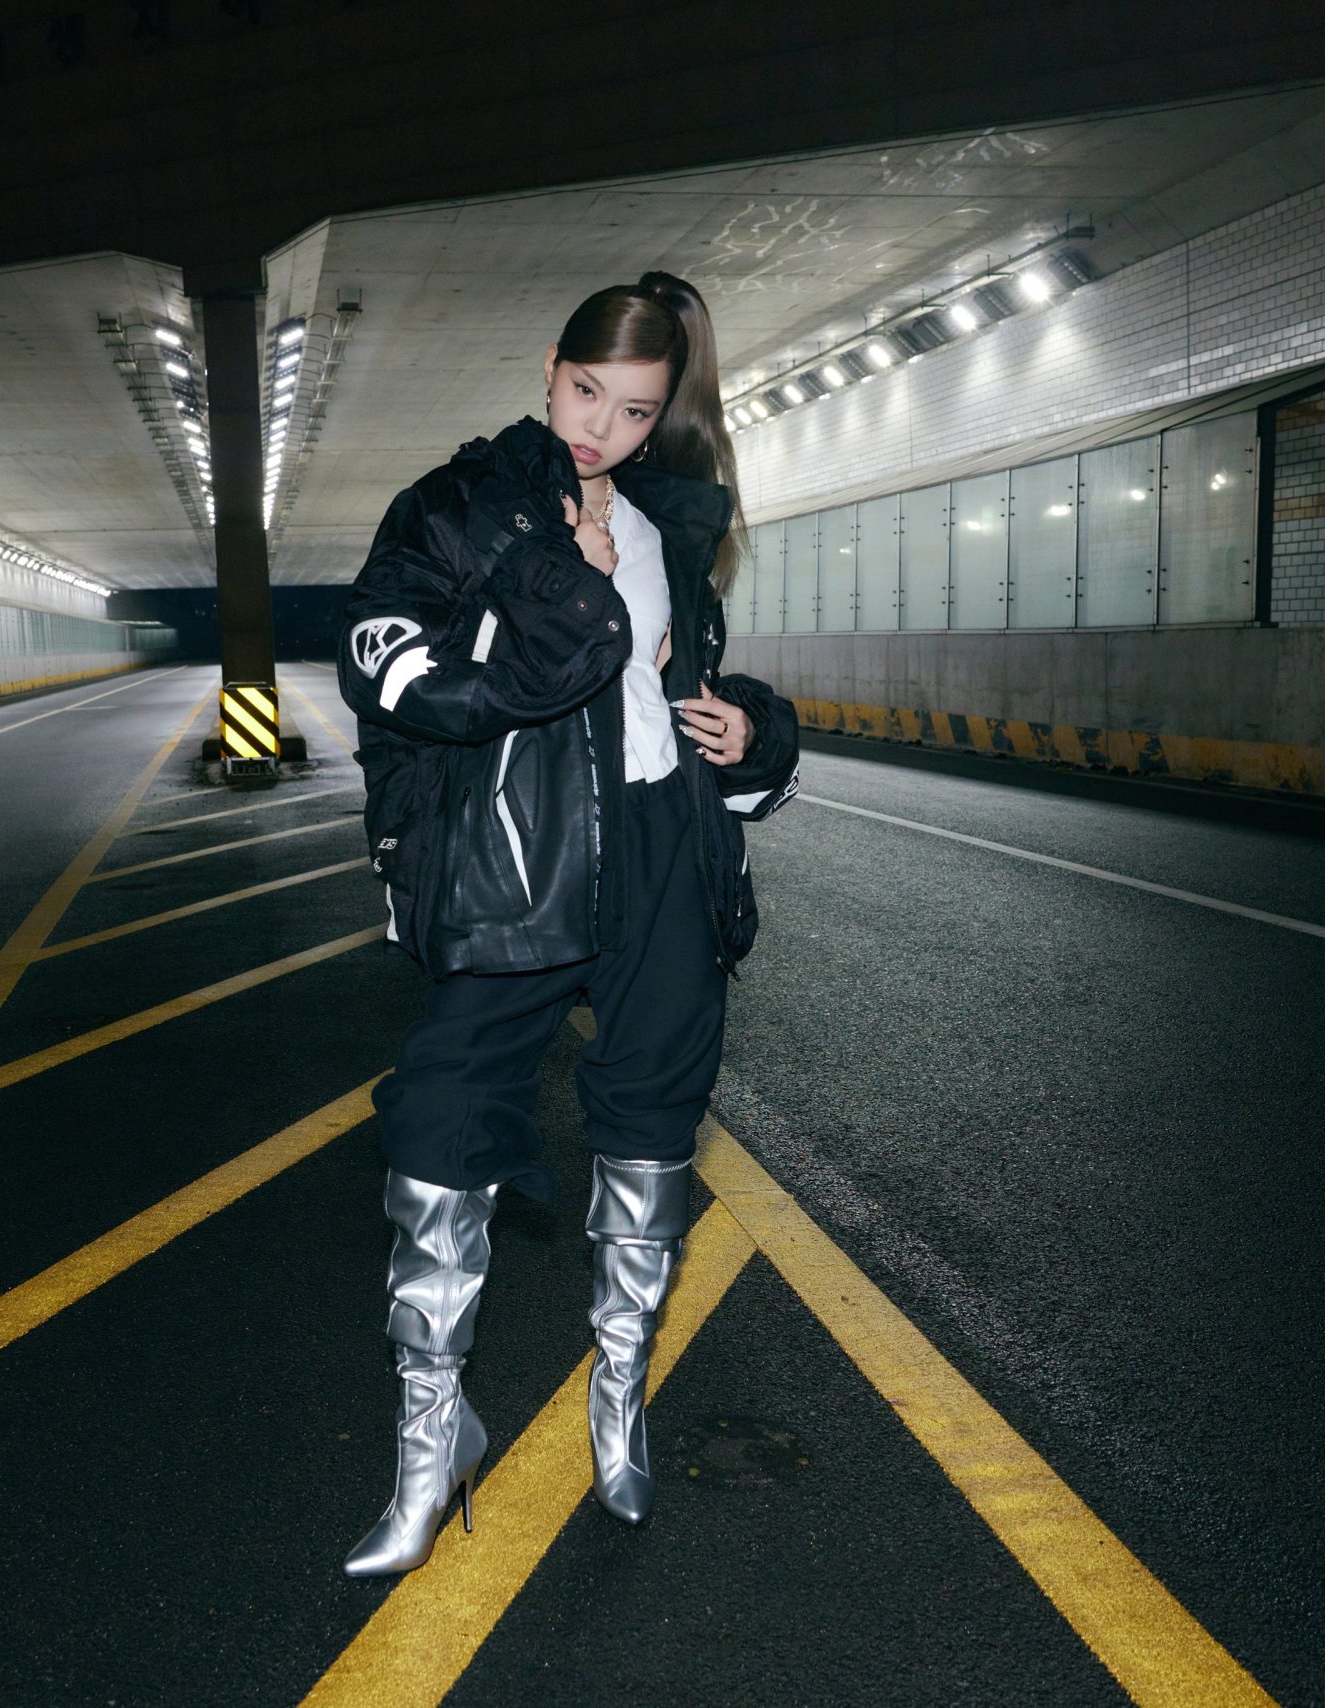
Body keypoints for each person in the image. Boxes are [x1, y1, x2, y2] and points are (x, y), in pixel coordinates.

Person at [333, 270, 801, 1577]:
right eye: (586, 390)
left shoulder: (668, 525)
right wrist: (551, 606)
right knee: (441, 1128)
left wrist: (749, 730)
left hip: (664, 855)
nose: (601, 427)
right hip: (518, 857)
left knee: (652, 1124)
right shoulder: (462, 506)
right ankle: (434, 1442)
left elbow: (678, 686)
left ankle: (618, 1405)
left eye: (635, 410)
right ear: (550, 367)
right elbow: (388, 663)